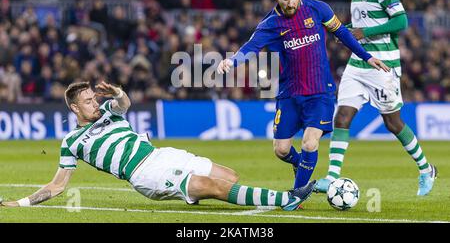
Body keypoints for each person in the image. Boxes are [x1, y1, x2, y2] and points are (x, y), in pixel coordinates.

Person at [0, 81, 315, 211]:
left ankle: (194, 191)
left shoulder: (109, 111)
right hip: (144, 174)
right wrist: (18, 205)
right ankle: (287, 198)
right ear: (73, 108)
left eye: (94, 97)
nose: (94, 103)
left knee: (228, 177)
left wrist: (117, 92)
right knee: (213, 187)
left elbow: (124, 102)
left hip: (160, 154)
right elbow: (56, 186)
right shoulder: (72, 143)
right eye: (87, 101)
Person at [217, 0, 389, 190]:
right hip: (289, 93)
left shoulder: (317, 9)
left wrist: (367, 56)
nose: (291, 3)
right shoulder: (270, 24)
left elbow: (342, 33)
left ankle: (298, 193)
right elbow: (250, 48)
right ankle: (301, 165)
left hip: (320, 92)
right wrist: (232, 61)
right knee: (281, 150)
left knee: (310, 141)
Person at [315, 0, 437, 196]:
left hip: (383, 66)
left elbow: (401, 22)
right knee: (342, 117)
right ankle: (331, 177)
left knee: (392, 123)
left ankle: (426, 169)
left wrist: (365, 32)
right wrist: (348, 33)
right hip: (358, 64)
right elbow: (362, 25)